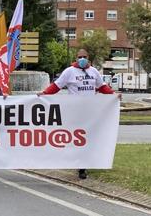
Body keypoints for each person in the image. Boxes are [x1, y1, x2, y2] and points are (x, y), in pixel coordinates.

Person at [37, 48, 121, 180]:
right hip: (75, 112)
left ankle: (83, 165)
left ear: (89, 58)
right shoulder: (69, 72)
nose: (82, 59)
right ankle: (76, 163)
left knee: (88, 138)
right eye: (80, 57)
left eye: (84, 57)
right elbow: (57, 86)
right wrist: (45, 93)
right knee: (76, 138)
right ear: (76, 58)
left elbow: (102, 87)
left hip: (90, 112)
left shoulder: (93, 72)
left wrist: (113, 95)